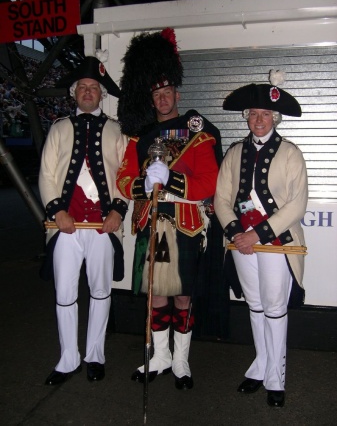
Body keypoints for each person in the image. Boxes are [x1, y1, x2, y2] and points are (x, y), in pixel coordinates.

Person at [116, 28, 223, 390]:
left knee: (183, 293)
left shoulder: (198, 131)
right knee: (156, 293)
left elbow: (210, 181)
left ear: (177, 92)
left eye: (167, 92)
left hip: (187, 225)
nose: (162, 99)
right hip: (152, 221)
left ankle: (180, 359)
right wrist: (142, 185)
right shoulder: (140, 136)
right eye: (156, 94)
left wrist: (173, 180)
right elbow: (123, 178)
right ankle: (159, 355)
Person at [214, 70, 308, 407]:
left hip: (276, 242)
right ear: (246, 117)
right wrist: (236, 232)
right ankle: (261, 365)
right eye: (253, 114)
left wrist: (257, 233)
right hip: (242, 242)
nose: (258, 119)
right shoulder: (234, 152)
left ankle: (275, 378)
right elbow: (221, 200)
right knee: (254, 305)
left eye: (265, 114)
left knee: (274, 307)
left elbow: (297, 204)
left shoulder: (291, 153)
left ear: (275, 117)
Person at [39, 55, 129, 385]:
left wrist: (118, 210)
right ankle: (67, 359)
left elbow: (125, 174)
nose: (88, 92)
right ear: (74, 93)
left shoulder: (117, 130)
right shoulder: (59, 128)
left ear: (101, 94)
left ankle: (95, 355)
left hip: (103, 226)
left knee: (101, 291)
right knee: (64, 293)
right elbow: (47, 174)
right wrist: (56, 211)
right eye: (83, 88)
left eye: (94, 88)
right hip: (66, 225)